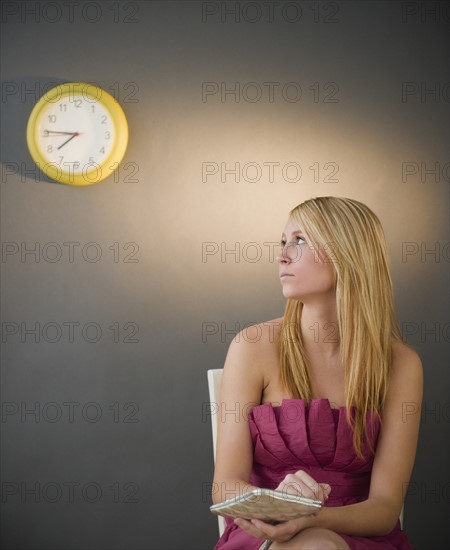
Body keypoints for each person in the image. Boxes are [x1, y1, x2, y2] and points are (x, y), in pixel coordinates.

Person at [212, 196, 422, 549]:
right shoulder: (252, 345)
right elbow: (225, 486)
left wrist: (308, 516)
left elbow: (385, 508)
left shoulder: (401, 364)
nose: (282, 255)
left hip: (360, 535)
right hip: (264, 531)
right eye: (283, 241)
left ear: (347, 253)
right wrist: (278, 507)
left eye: (300, 240)